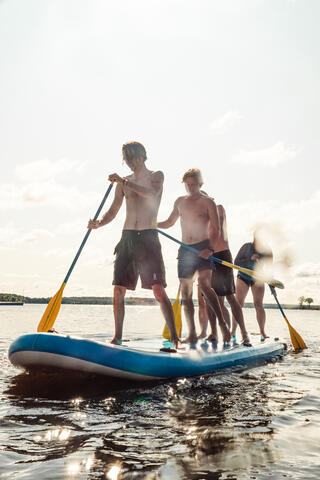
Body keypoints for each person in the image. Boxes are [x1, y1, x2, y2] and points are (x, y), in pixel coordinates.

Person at [87, 141, 180, 347]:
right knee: (118, 288)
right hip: (127, 237)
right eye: (127, 159)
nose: (130, 162)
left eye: (133, 158)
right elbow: (113, 210)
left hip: (148, 236)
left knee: (158, 289)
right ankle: (117, 336)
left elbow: (151, 194)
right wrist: (98, 223)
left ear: (142, 156)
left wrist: (123, 181)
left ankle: (174, 337)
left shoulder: (156, 175)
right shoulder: (123, 182)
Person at [157, 168, 231, 346]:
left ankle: (222, 325)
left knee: (205, 286)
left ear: (200, 184)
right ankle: (191, 333)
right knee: (186, 293)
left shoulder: (208, 203)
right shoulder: (180, 202)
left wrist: (210, 249)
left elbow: (216, 228)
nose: (190, 188)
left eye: (193, 184)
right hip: (185, 250)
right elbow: (169, 222)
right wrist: (152, 224)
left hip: (203, 247)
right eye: (187, 185)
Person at [198, 203, 251, 345]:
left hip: (222, 255)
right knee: (208, 297)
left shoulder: (218, 208)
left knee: (229, 296)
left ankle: (244, 333)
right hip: (207, 258)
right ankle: (213, 333)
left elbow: (217, 228)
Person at [232, 234, 273, 342]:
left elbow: (270, 270)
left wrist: (272, 287)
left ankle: (262, 332)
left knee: (258, 304)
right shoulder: (246, 247)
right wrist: (250, 259)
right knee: (238, 303)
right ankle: (233, 331)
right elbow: (236, 262)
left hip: (258, 278)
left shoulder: (267, 252)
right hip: (243, 277)